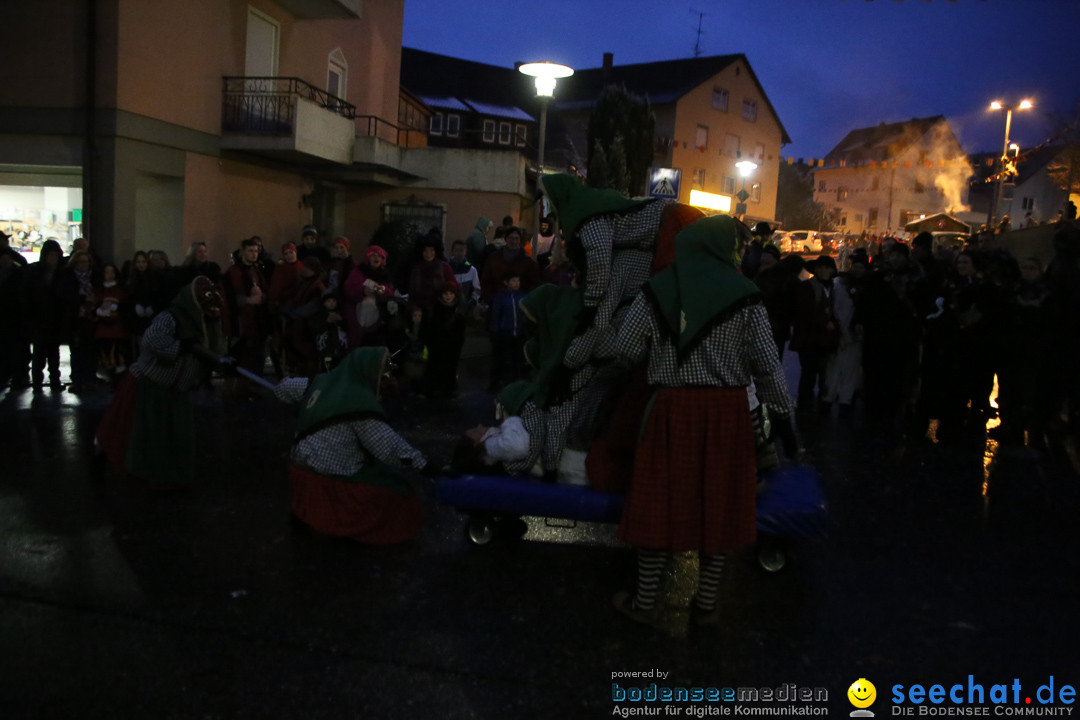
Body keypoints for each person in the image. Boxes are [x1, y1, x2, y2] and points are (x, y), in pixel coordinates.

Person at [610, 215, 794, 625]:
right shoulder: (746, 295)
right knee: (721, 507)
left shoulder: (657, 290)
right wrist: (784, 418)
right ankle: (706, 606)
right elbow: (768, 367)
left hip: (671, 412)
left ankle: (644, 604)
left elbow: (624, 348)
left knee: (659, 506)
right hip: (727, 416)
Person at [274, 347, 431, 544]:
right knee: (398, 491)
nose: (385, 380)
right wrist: (423, 465)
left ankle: (307, 516)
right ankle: (348, 529)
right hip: (332, 480)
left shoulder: (318, 383)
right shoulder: (358, 402)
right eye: (383, 373)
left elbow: (282, 388)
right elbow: (390, 449)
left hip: (301, 471)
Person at [94, 277, 227, 489]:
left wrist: (222, 362)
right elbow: (150, 340)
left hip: (176, 389)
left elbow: (214, 350)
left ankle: (170, 477)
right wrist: (181, 346)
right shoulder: (171, 317)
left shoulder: (208, 324)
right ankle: (118, 468)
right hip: (148, 384)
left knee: (175, 436)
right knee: (126, 431)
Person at [789, 255, 838, 414]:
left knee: (823, 372)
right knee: (809, 372)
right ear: (815, 270)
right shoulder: (808, 287)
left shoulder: (832, 288)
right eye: (821, 267)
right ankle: (805, 404)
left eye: (827, 268)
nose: (824, 271)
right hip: (809, 338)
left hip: (823, 339)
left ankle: (818, 402)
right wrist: (826, 323)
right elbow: (806, 311)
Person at [224, 237, 271, 378]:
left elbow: (266, 292)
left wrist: (262, 298)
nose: (254, 254)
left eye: (256, 251)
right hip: (240, 323)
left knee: (257, 359)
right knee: (240, 358)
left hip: (258, 323)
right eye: (250, 251)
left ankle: (253, 386)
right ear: (243, 252)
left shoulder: (257, 272)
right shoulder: (233, 272)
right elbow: (228, 296)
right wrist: (248, 300)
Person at [24, 239, 66, 389]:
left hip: (49, 318)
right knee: (44, 353)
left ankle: (42, 381)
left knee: (47, 353)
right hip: (43, 319)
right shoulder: (60, 274)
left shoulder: (36, 271)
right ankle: (44, 381)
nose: (53, 258)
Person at [343, 245, 395, 348]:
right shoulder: (359, 271)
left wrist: (383, 291)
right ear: (368, 257)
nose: (376, 258)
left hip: (375, 319)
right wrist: (363, 291)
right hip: (357, 316)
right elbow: (349, 289)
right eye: (373, 255)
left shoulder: (385, 275)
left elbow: (390, 293)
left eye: (379, 256)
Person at [488, 271, 529, 391]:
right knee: (505, 360)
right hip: (505, 334)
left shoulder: (523, 296)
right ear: (506, 282)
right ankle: (504, 383)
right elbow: (496, 315)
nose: (516, 283)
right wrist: (495, 332)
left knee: (518, 359)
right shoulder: (501, 297)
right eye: (513, 281)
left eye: (518, 281)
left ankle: (517, 382)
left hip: (520, 334)